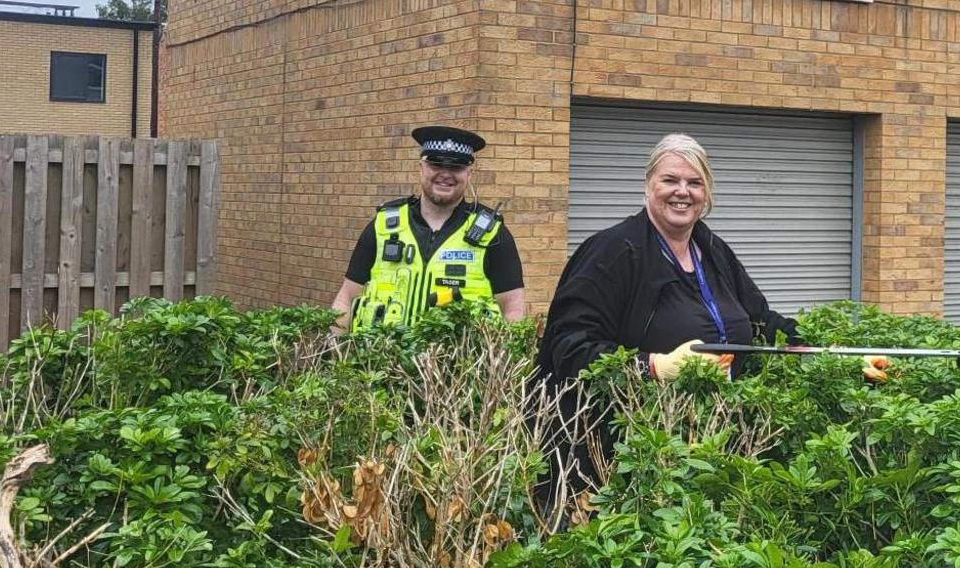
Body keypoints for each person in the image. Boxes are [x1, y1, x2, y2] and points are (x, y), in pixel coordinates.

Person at [535, 133, 802, 391]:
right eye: (670, 180)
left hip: (716, 430)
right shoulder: (612, 252)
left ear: (706, 192)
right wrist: (652, 367)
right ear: (648, 185)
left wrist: (815, 339)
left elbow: (761, 321)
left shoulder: (713, 250)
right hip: (638, 429)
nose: (683, 191)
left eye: (695, 183)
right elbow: (569, 346)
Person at [330, 126, 526, 332]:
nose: (445, 174)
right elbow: (347, 298)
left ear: (469, 174)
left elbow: (513, 308)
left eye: (456, 167)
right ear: (421, 167)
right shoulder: (382, 227)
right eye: (436, 164)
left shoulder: (492, 234)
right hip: (380, 359)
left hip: (460, 363)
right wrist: (333, 354)